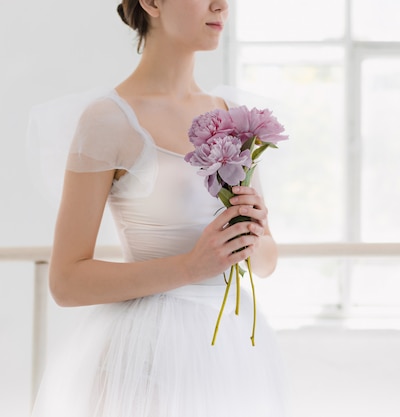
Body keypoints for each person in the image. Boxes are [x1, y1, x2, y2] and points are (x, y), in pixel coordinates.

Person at [30, 0, 288, 416]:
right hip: (147, 351)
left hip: (233, 351)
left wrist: (253, 233)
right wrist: (189, 267)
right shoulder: (109, 120)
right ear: (152, 3)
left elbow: (267, 262)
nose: (222, 6)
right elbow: (66, 281)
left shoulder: (233, 119)